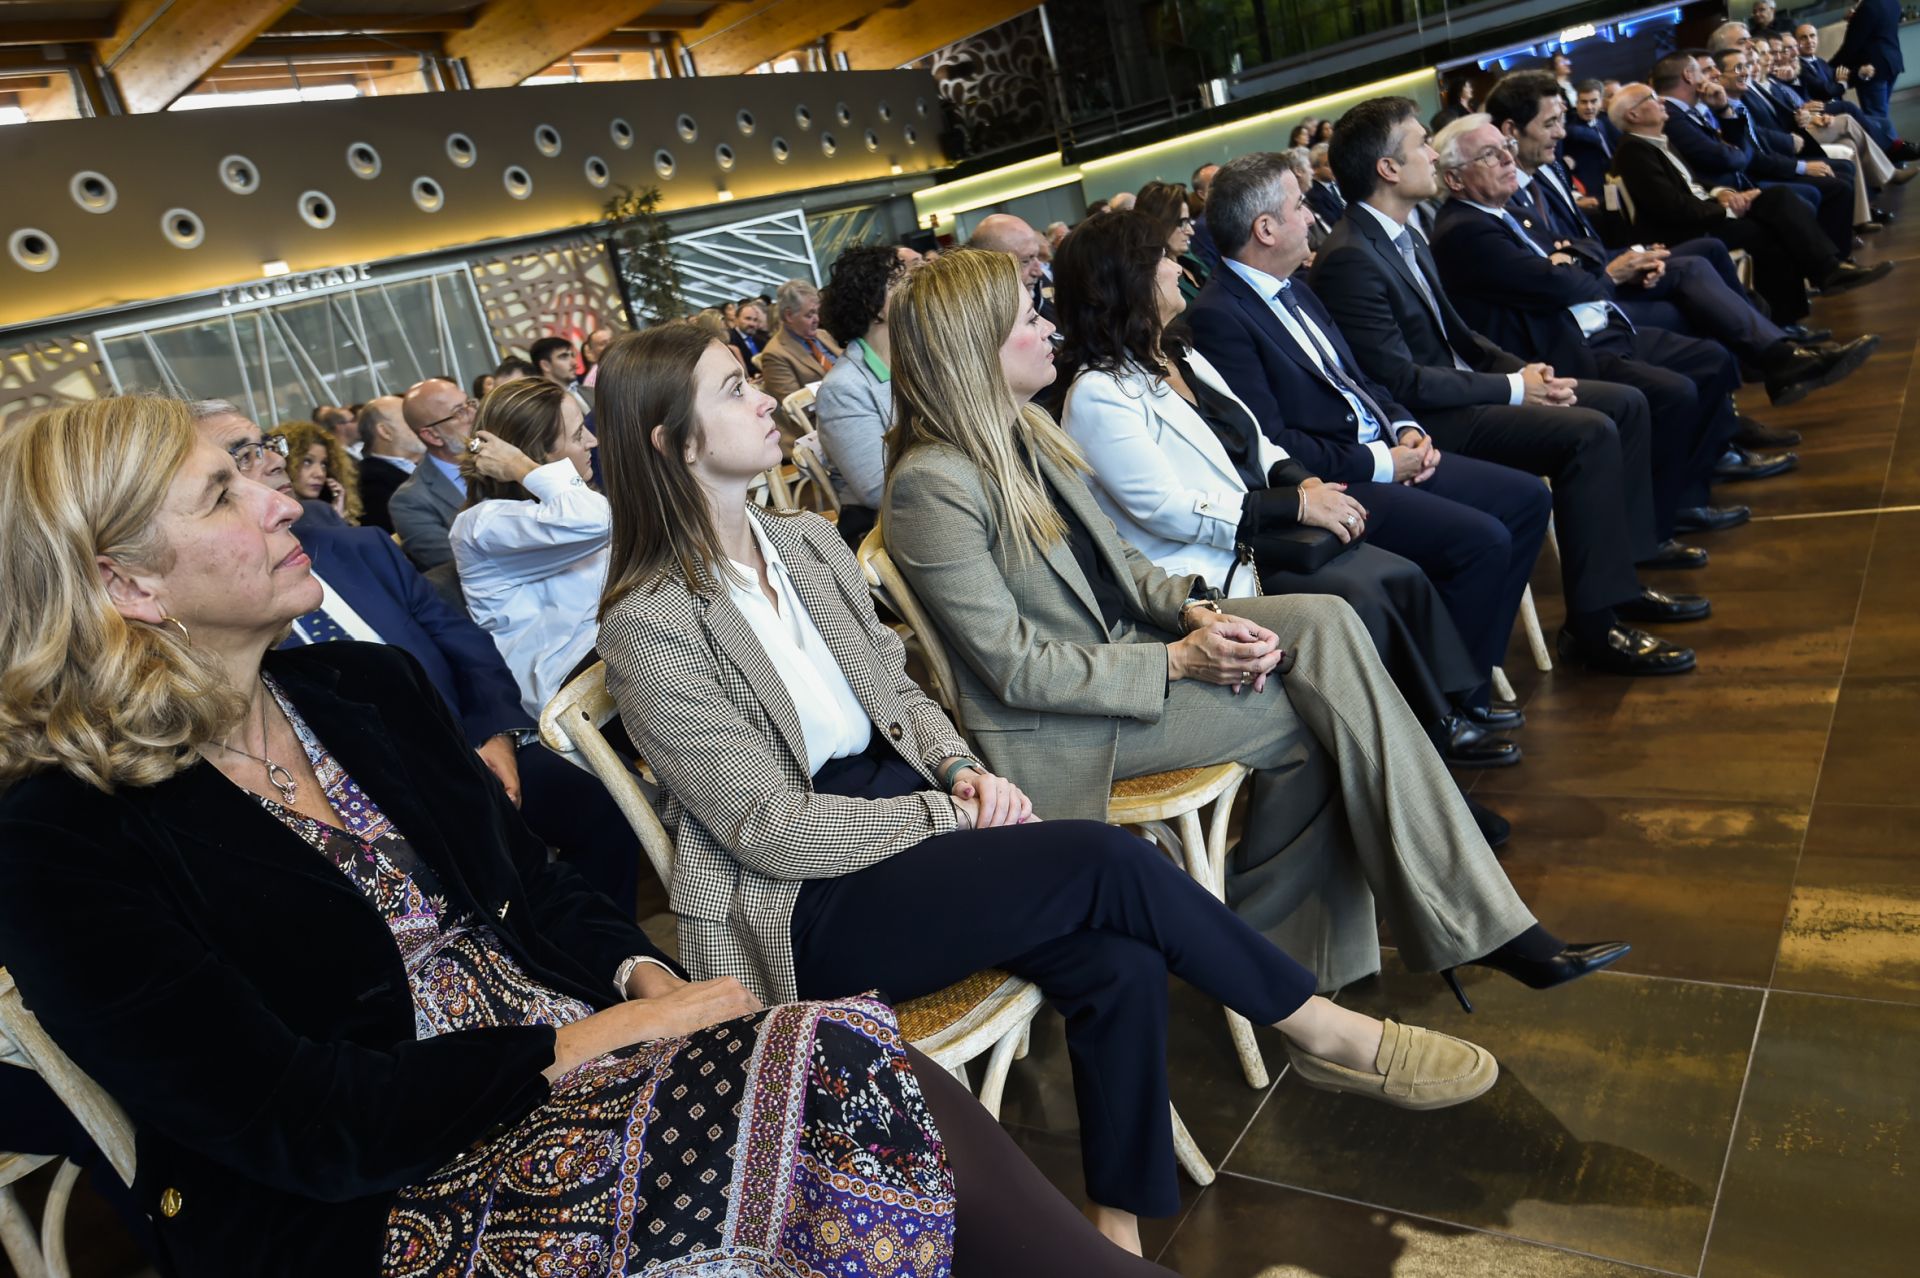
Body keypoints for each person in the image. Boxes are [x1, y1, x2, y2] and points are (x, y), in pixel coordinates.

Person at [0, 395, 1201, 1278]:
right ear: (127, 585)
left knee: (854, 1081)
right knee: (840, 1082)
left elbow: (536, 880)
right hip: (377, 1202)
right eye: (224, 492)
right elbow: (299, 1123)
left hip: (569, 1063)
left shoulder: (357, 694)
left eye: (254, 464)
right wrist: (616, 1029)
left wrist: (641, 970)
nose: (283, 497)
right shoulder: (59, 838)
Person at [592, 321, 1526, 1255]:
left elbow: (894, 693)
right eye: (731, 389)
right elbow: (768, 831)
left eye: (750, 378)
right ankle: (1318, 1029)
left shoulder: (801, 543)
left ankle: (1113, 1232)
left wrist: (960, 768)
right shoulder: (650, 620)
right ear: (669, 443)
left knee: (1114, 958)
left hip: (899, 811)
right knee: (1102, 860)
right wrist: (944, 808)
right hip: (802, 903)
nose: (762, 398)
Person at [1054, 209, 1509, 765]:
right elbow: (1166, 510)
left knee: (1396, 570)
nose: (1177, 270)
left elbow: (1257, 439)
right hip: (1203, 566)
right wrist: (1296, 504)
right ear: (1126, 281)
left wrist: (1305, 481)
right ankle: (1425, 742)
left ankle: (1449, 710)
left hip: (1253, 532)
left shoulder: (1177, 352)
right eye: (1163, 261)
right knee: (1359, 594)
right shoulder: (1099, 393)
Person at [1313, 96, 1708, 676]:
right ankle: (1594, 626)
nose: (1431, 153)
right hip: (1432, 418)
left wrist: (1527, 371)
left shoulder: (1404, 236)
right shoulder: (1350, 256)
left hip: (1469, 389)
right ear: (1388, 169)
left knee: (1623, 403)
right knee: (1590, 432)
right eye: (1421, 143)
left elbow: (1461, 335)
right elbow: (1401, 380)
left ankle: (1620, 579)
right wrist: (1514, 389)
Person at [1186, 152, 1557, 693]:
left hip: (1384, 451)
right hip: (1340, 481)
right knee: (1480, 540)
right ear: (1265, 229)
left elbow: (1361, 382)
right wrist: (1386, 462)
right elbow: (1272, 443)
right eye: (1299, 206)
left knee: (1526, 500)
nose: (1312, 216)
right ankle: (1456, 696)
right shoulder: (1219, 316)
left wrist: (1404, 426)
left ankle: (1461, 669)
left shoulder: (1297, 286)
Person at [1428, 116, 1783, 577]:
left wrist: (1578, 263)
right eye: (1490, 155)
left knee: (1710, 359)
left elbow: (1581, 250)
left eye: (1506, 146)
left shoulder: (1509, 212)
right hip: (1557, 350)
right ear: (1455, 178)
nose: (1508, 158)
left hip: (1593, 325)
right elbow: (1556, 284)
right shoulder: (1463, 229)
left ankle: (1688, 494)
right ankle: (1656, 525)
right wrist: (1591, 270)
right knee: (1671, 392)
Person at [1485, 69, 1879, 415]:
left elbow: (1581, 241)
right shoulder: (1506, 196)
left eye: (1561, 120)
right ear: (1510, 131)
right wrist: (1624, 261)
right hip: (1596, 291)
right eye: (1551, 122)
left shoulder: (1551, 166)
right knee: (1712, 267)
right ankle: (1773, 356)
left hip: (1610, 266)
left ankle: (1776, 351)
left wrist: (1715, 198)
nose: (1563, 132)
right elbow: (1565, 253)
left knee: (1724, 246)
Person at [1605, 83, 1889, 327]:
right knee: (1764, 233)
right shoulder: (1633, 151)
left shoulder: (1654, 141)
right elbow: (1673, 207)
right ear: (1634, 114)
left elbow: (1692, 184)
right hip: (1685, 231)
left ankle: (1826, 273)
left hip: (1705, 212)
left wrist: (1723, 192)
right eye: (1652, 98)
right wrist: (1728, 208)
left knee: (1778, 199)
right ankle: (1800, 302)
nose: (1662, 101)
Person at [450, 379, 605, 724]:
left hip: (612, 659)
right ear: (536, 455)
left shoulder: (568, 504)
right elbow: (597, 522)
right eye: (579, 435)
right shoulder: (480, 525)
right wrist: (524, 467)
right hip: (575, 691)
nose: (593, 441)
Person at [1652, 49, 1855, 257]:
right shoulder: (1676, 116)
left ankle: (1833, 261)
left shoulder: (1705, 106)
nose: (1713, 75)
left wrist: (1725, 113)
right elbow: (1731, 158)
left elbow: (1747, 146)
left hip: (1742, 179)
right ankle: (1832, 264)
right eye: (1705, 70)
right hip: (1730, 190)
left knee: (1835, 175)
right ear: (1688, 75)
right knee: (1805, 197)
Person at [814, 244, 918, 548]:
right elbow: (879, 488)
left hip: (929, 503)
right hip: (884, 530)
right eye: (899, 283)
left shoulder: (915, 358)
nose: (916, 291)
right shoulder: (843, 388)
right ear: (875, 306)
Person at [390, 378, 476, 571]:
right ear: (432, 436)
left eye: (469, 403)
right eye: (459, 412)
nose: (473, 415)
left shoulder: (505, 455)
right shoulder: (410, 502)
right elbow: (455, 567)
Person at [759, 278, 843, 448]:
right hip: (824, 425)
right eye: (809, 314)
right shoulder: (775, 354)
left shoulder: (823, 335)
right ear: (789, 315)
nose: (817, 319)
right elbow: (799, 410)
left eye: (817, 312)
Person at [271, 419, 361, 526]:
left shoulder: (326, 509)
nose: (320, 474)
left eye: (324, 464)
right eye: (307, 461)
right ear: (285, 461)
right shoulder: (273, 519)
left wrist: (335, 517)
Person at [969, 212, 1054, 324]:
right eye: (1025, 261)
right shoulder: (977, 325)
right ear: (989, 267)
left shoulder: (1041, 290)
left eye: (1036, 257)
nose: (1038, 272)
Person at [352, 395, 421, 533]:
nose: (420, 424)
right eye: (409, 418)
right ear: (385, 432)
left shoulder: (423, 464)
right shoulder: (369, 484)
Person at [1135, 180, 1211, 302]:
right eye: (1182, 223)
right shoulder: (1152, 283)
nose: (1191, 231)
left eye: (1188, 221)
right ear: (1158, 224)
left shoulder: (1188, 258)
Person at [1835, 0, 1904, 119]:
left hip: (1872, 70)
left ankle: (1891, 138)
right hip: (1892, 63)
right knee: (1882, 114)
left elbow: (1851, 46)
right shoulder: (1892, 2)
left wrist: (1830, 67)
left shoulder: (1866, 8)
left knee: (1877, 119)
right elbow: (1879, 28)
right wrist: (1857, 19)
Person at [1564, 78, 1619, 194]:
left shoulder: (1606, 121)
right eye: (1583, 102)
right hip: (1591, 192)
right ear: (1576, 103)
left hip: (1616, 184)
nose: (1589, 107)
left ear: (1601, 102)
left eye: (1593, 101)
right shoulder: (1570, 129)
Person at [529, 335, 591, 415]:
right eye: (564, 357)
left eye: (572, 355)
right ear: (545, 365)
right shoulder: (539, 405)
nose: (574, 363)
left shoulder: (591, 392)